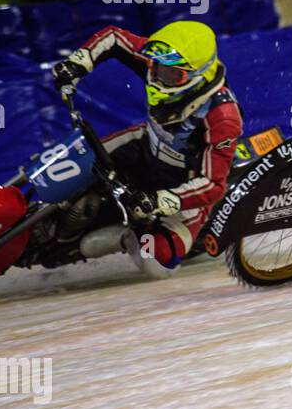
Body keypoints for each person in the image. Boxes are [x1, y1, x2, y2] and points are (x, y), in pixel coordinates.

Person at [50, 21, 244, 273]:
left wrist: (162, 201)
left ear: (200, 75)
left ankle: (125, 236)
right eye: (157, 67)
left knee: (156, 263)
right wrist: (79, 62)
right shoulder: (159, 58)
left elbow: (213, 185)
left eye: (173, 74)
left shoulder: (222, 116)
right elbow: (115, 37)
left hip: (181, 184)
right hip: (143, 146)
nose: (158, 77)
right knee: (71, 163)